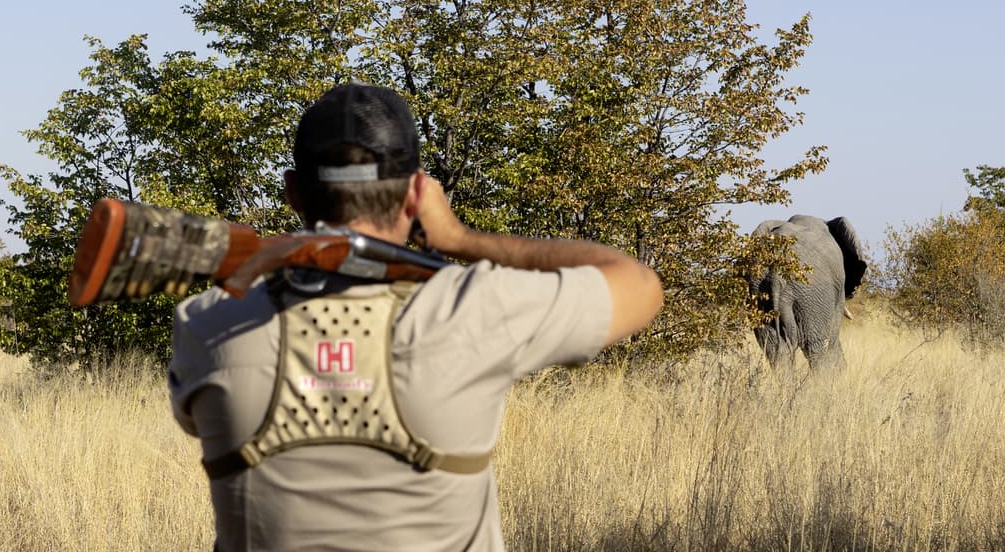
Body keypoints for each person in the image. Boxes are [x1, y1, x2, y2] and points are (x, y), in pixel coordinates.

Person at [169, 83, 663, 551]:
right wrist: (461, 240)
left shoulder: (206, 325)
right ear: (416, 194)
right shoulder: (473, 310)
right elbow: (639, 286)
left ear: (293, 192)